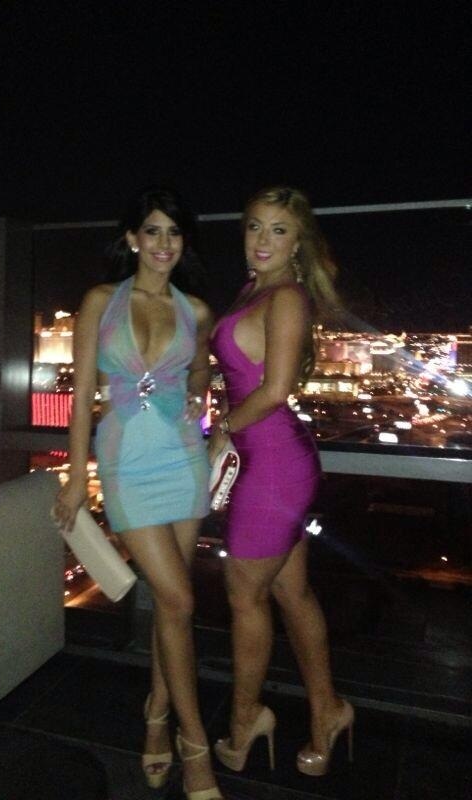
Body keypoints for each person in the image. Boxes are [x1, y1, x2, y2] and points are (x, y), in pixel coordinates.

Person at [54, 187, 223, 800]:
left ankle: (157, 713)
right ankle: (195, 747)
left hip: (183, 459)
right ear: (132, 238)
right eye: (152, 231)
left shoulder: (195, 311)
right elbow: (80, 397)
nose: (163, 243)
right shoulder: (101, 301)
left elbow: (201, 373)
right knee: (178, 598)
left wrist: (203, 402)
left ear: (184, 242)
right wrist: (78, 478)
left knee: (170, 606)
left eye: (174, 233)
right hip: (125, 462)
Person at [209, 186, 354, 777]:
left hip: (272, 465)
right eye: (254, 226)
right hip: (267, 460)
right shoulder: (255, 289)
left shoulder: (287, 296)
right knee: (292, 593)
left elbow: (274, 391)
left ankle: (245, 721)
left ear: (299, 244)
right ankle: (328, 711)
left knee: (244, 596)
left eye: (278, 230)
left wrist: (221, 430)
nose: (262, 240)